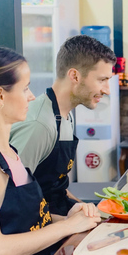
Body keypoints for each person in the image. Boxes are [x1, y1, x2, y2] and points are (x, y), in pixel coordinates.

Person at [0, 47, 101, 255]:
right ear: (0, 95)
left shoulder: (9, 150)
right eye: (25, 88)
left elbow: (30, 223)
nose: (31, 97)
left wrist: (71, 218)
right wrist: (67, 227)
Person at [10, 35, 116, 215]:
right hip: (37, 226)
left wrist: (92, 212)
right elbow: (13, 199)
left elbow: (54, 185)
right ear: (74, 75)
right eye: (101, 80)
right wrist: (67, 226)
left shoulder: (66, 115)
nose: (107, 90)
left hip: (58, 212)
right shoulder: (39, 125)